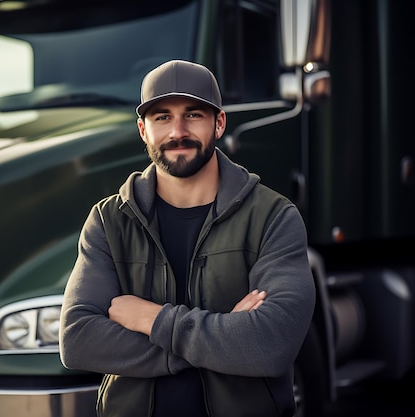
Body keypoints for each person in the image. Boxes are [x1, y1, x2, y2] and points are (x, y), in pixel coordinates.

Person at [59, 59, 315, 417]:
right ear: (143, 130)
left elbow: (272, 343)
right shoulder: (109, 221)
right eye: (162, 117)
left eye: (193, 114)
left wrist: (151, 319)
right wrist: (225, 337)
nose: (177, 131)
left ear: (220, 123)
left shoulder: (273, 216)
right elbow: (78, 340)